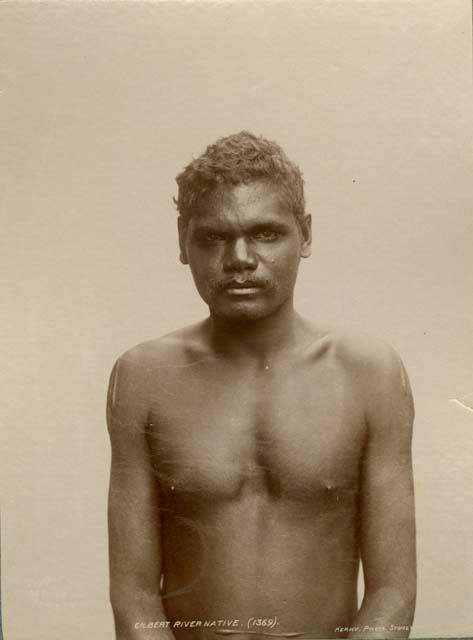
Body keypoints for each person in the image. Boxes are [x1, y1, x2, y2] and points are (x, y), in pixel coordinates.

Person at [107, 131, 416, 640]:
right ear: (182, 240)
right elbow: (134, 595)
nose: (240, 258)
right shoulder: (143, 377)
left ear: (306, 235)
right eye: (213, 237)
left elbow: (393, 592)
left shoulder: (370, 374)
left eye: (267, 233)